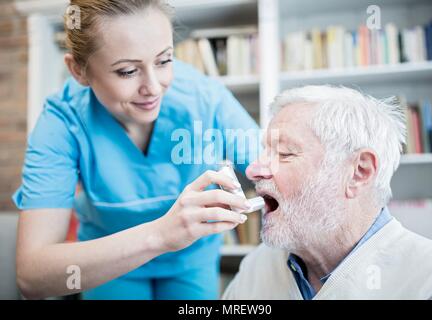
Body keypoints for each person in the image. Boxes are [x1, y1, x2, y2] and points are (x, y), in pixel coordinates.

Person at [13, 0, 259, 300]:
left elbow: (268, 167)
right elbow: (31, 276)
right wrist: (160, 235)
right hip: (108, 261)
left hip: (191, 259)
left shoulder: (204, 97)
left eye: (164, 60)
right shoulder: (63, 121)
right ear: (78, 70)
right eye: (128, 71)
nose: (154, 87)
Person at [223, 85, 432, 300]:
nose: (252, 170)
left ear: (359, 172)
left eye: (284, 153)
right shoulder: (256, 267)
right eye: (265, 152)